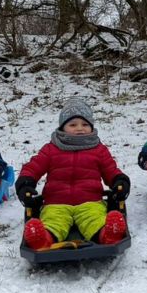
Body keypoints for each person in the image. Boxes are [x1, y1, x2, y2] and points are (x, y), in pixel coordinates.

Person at [18, 98, 129, 249]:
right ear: (62, 127)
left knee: (95, 219)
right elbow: (33, 167)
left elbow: (110, 169)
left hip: (90, 201)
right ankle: (42, 239)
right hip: (56, 202)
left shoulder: (99, 150)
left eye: (85, 124)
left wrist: (119, 180)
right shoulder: (51, 149)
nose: (79, 128)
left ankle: (108, 234)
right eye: (73, 125)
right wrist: (25, 183)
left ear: (91, 126)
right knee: (53, 222)